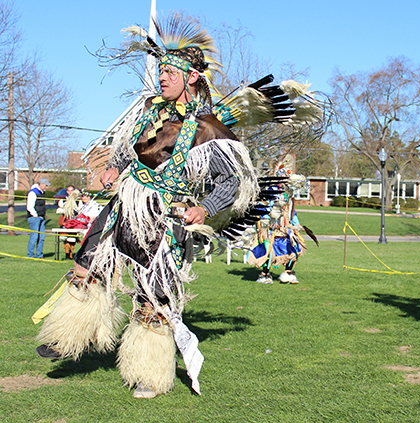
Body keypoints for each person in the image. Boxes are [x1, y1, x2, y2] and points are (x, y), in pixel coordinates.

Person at [35, 14, 259, 399]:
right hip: (125, 204)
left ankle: (150, 375)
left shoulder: (208, 129)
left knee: (153, 297)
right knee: (87, 263)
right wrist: (112, 168)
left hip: (162, 217)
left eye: (171, 72)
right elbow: (126, 153)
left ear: (192, 77)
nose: (163, 77)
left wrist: (204, 209)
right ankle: (67, 337)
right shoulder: (149, 113)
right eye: (161, 71)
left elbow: (234, 181)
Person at [249, 168, 308, 284]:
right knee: (269, 251)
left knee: (294, 248)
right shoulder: (271, 191)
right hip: (272, 226)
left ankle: (288, 273)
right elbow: (264, 207)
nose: (285, 181)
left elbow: (292, 211)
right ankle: (265, 274)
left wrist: (296, 223)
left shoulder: (289, 193)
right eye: (283, 179)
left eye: (287, 179)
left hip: (286, 226)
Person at [26, 178, 50, 258]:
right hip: (34, 217)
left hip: (42, 217)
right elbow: (30, 206)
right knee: (34, 237)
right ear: (41, 184)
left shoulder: (42, 193)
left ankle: (39, 255)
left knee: (41, 237)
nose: (47, 187)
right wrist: (35, 214)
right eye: (46, 185)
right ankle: (30, 255)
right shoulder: (33, 192)